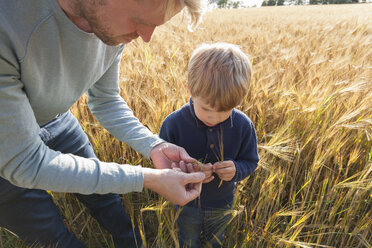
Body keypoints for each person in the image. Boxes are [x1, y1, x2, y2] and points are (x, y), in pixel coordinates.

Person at [0, 0, 207, 247]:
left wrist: (154, 146)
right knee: (52, 236)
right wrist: (147, 178)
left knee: (106, 200)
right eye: (141, 21)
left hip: (58, 120)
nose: (146, 37)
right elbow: (25, 162)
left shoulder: (110, 27)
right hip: (8, 153)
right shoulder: (7, 23)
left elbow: (105, 100)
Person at [159, 42, 260, 248]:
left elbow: (250, 161)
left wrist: (236, 169)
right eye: (206, 108)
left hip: (222, 203)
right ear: (190, 90)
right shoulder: (173, 124)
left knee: (215, 242)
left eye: (225, 110)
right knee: (187, 241)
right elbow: (163, 166)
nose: (214, 116)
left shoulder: (243, 125)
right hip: (186, 203)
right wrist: (188, 174)